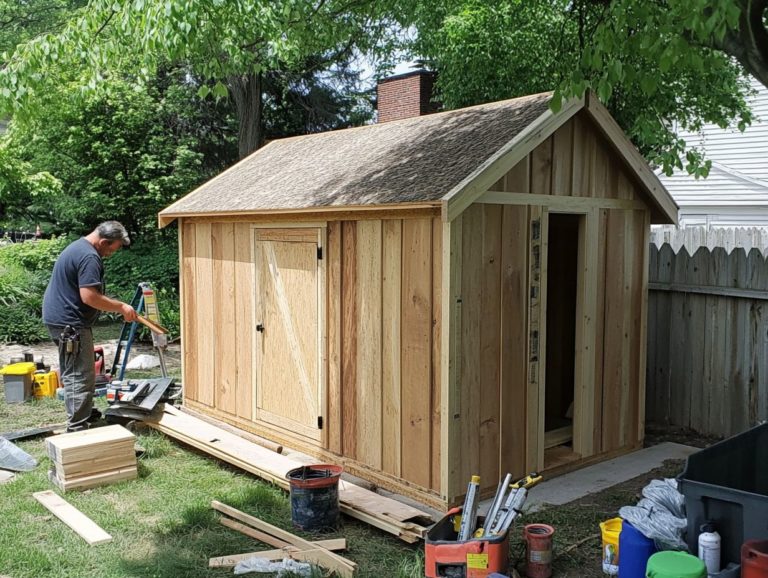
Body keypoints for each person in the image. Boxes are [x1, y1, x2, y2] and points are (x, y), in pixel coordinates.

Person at [43, 221, 138, 432]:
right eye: (111, 249)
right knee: (80, 374)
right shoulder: (89, 257)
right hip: (70, 324)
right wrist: (121, 307)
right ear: (103, 242)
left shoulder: (78, 247)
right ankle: (77, 428)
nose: (110, 254)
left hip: (59, 319)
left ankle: (86, 412)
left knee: (73, 370)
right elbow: (89, 297)